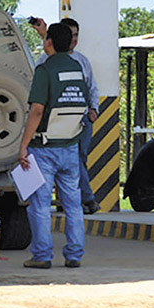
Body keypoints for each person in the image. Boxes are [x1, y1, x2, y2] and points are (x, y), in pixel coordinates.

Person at [18, 22, 90, 269]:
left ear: (48, 42)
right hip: (70, 146)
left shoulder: (44, 70)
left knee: (40, 204)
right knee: (73, 204)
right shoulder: (77, 68)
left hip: (44, 148)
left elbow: (37, 110)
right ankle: (74, 254)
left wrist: (23, 146)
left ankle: (42, 256)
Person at [30, 17, 100, 214]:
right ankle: (84, 199)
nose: (73, 39)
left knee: (79, 159)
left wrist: (93, 109)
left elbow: (92, 88)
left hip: (81, 120)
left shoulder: (82, 62)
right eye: (70, 35)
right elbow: (38, 107)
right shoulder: (44, 64)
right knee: (73, 161)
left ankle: (78, 201)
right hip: (54, 126)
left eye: (76, 35)